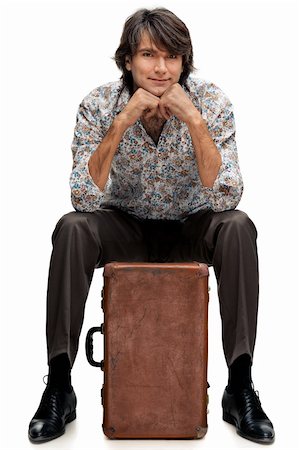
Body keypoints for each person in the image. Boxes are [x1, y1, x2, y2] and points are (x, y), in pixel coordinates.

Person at [28, 7, 275, 445]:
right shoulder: (98, 104)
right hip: (124, 228)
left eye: (172, 57)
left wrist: (194, 120)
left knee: (238, 226)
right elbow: (84, 198)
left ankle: (240, 386)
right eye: (148, 55)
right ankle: (59, 386)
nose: (161, 68)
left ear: (185, 62)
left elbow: (226, 197)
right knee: (72, 227)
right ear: (128, 60)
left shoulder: (212, 101)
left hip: (191, 227)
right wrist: (122, 122)